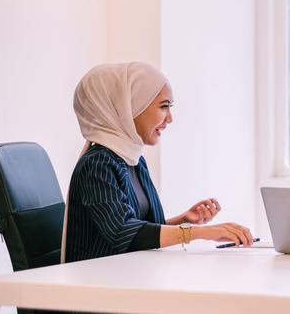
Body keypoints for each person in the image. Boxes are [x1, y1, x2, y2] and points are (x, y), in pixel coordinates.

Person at [62, 62, 253, 263]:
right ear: (128, 106)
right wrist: (199, 232)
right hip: (96, 283)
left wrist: (185, 220)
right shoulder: (98, 164)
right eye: (163, 107)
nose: (169, 118)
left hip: (125, 275)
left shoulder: (134, 160)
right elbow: (123, 233)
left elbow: (143, 230)